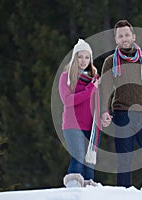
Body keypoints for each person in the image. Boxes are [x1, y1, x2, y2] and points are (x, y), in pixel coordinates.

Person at [100, 20, 142, 187]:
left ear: (133, 36)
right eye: (120, 36)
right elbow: (105, 89)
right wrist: (104, 111)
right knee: (124, 163)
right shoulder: (110, 62)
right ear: (116, 39)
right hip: (122, 114)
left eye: (127, 34)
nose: (124, 38)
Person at [59, 39, 100, 187]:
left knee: (89, 163)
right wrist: (90, 89)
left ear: (91, 59)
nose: (83, 61)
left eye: (87, 57)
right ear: (74, 57)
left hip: (91, 126)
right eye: (80, 57)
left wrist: (105, 114)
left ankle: (88, 190)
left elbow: (99, 101)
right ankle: (73, 188)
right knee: (78, 157)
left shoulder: (95, 78)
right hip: (73, 125)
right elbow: (68, 101)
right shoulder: (67, 77)